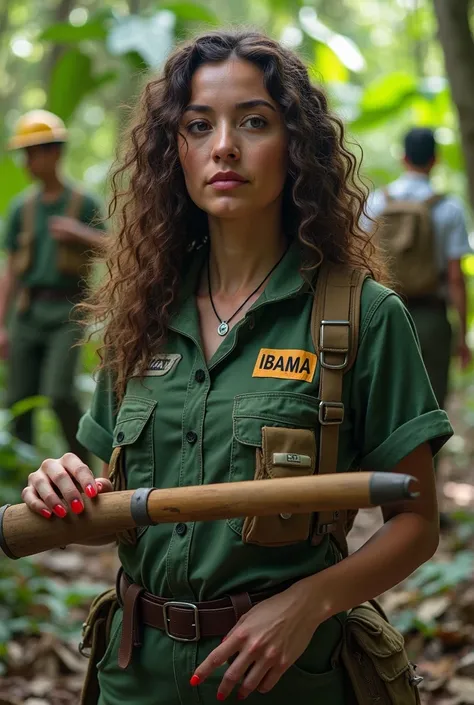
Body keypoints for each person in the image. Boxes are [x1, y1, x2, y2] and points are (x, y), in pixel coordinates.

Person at [21, 31, 452, 705]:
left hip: (288, 678)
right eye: (199, 125)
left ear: (297, 145)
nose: (225, 145)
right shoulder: (139, 316)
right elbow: (102, 489)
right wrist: (61, 481)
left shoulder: (362, 317)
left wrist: (309, 602)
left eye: (254, 121)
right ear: (176, 152)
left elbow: (418, 521)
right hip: (132, 676)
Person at [0, 110, 105, 462]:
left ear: (55, 152)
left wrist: (80, 233)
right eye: (25, 153)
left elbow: (114, 248)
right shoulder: (21, 209)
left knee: (59, 394)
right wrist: (1, 324)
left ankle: (82, 465)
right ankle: (23, 476)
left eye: (35, 151)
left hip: (67, 310)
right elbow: (11, 270)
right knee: (18, 400)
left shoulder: (84, 202)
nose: (28, 161)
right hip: (28, 312)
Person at [368, 127, 472, 412]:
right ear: (435, 160)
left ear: (403, 158)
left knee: (385, 405)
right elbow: (454, 277)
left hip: (384, 313)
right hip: (432, 319)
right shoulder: (449, 208)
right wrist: (462, 336)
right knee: (432, 407)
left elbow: (361, 263)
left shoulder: (377, 202)